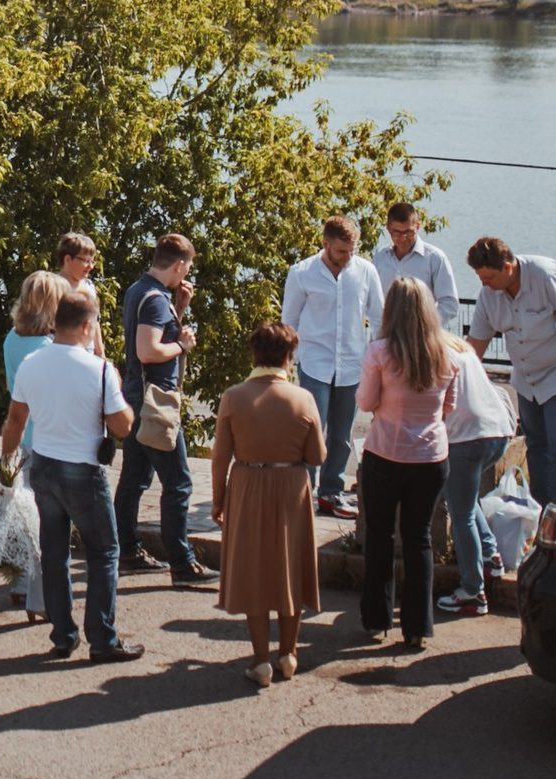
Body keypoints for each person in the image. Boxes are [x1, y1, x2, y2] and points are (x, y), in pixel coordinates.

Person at [0, 287, 145, 663]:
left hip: (43, 467)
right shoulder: (99, 370)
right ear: (85, 325)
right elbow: (123, 426)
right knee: (104, 550)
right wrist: (124, 408)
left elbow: (16, 419)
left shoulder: (33, 362)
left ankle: (63, 636)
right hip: (82, 470)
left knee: (54, 552)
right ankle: (102, 638)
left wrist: (6, 464)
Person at [212, 319, 326, 688]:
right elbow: (318, 455)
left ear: (255, 354)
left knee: (255, 573)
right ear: (289, 357)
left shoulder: (233, 396)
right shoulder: (303, 398)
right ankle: (288, 654)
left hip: (247, 483)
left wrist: (218, 500)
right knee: (288, 570)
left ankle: (260, 661)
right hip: (291, 484)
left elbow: (219, 458)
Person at [353, 277, 464, 649]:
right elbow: (449, 408)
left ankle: (377, 618)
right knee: (419, 542)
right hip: (431, 457)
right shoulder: (447, 356)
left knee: (380, 538)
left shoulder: (380, 353)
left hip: (386, 453)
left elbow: (366, 403)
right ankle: (417, 626)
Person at [464, 237, 556, 508]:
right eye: (479, 276)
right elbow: (475, 346)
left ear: (508, 268)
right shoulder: (488, 295)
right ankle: (542, 515)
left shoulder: (546, 275)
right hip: (526, 380)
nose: (483, 283)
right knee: (536, 448)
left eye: (487, 277)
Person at [113, 234, 213, 585]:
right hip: (156, 402)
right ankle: (183, 563)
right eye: (186, 269)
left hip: (137, 395)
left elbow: (150, 339)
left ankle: (127, 551)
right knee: (179, 483)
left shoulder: (139, 290)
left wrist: (179, 308)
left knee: (135, 479)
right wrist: (182, 345)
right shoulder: (155, 299)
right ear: (179, 265)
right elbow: (148, 351)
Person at [282, 215, 379, 518]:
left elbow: (379, 317)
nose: (347, 257)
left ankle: (331, 492)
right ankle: (304, 492)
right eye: (341, 252)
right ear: (325, 244)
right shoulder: (302, 273)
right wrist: (290, 361)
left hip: (352, 364)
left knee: (341, 434)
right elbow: (290, 321)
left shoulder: (365, 271)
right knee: (313, 429)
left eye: (351, 251)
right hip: (315, 362)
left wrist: (380, 359)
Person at [435, 324, 516, 615]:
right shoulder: (461, 348)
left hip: (467, 438)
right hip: (498, 432)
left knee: (461, 514)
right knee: (462, 499)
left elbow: (439, 404)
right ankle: (491, 555)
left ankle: (472, 591)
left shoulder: (435, 355)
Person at [1, 270, 61, 622]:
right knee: (47, 524)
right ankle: (38, 599)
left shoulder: (12, 338)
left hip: (23, 437)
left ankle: (21, 583)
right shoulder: (49, 348)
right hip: (47, 440)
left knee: (25, 519)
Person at [371, 202, 462, 333]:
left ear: (417, 226)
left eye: (408, 232)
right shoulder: (380, 257)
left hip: (422, 339)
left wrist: (425, 326)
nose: (403, 238)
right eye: (396, 233)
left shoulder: (434, 258)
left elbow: (449, 303)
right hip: (385, 338)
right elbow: (372, 300)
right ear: (388, 229)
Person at [54, 232, 100, 306]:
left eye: (92, 261)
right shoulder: (51, 287)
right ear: (68, 259)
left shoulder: (89, 287)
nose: (91, 266)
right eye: (86, 261)